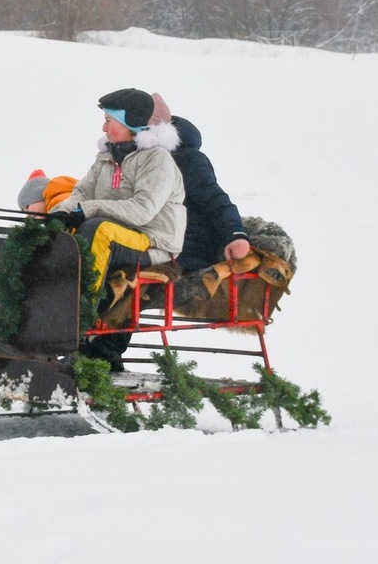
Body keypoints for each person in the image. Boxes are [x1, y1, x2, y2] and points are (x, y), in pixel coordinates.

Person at [49, 88, 187, 370]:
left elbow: (142, 210)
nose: (103, 127)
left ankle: (80, 312)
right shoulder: (105, 157)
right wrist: (60, 214)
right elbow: (81, 193)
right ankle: (47, 301)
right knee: (69, 230)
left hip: (152, 241)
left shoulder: (157, 160)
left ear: (131, 123)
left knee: (98, 229)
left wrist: (86, 210)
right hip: (117, 233)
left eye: (109, 120)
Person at [150, 93, 250, 273]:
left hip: (186, 250)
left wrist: (235, 235)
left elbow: (215, 201)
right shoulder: (135, 162)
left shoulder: (188, 160)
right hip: (156, 244)